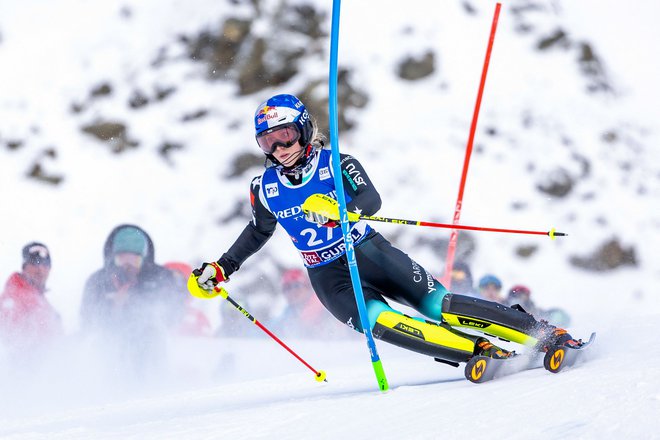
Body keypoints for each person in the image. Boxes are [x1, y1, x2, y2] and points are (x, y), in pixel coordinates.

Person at [191, 93, 583, 368]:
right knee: (383, 322)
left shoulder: (337, 163)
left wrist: (340, 211)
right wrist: (223, 267)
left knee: (439, 306)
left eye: (286, 136)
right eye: (268, 142)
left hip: (368, 252)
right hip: (328, 276)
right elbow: (258, 232)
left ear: (304, 129)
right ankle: (478, 352)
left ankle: (545, 333)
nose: (280, 149)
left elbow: (371, 200)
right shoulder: (265, 187)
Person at [80, 224, 183, 374]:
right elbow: (88, 322)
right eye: (122, 260)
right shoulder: (98, 282)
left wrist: (146, 309)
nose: (128, 266)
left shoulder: (160, 278)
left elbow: (174, 315)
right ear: (113, 259)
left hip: (151, 356)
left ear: (144, 260)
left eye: (134, 260)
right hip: (110, 357)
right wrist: (114, 307)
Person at [0, 242, 63, 357]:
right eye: (35, 262)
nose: (40, 269)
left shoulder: (40, 300)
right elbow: (12, 343)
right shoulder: (13, 297)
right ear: (24, 267)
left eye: (45, 264)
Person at [164, 261, 213, 338]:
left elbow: (207, 345)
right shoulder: (151, 314)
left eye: (180, 282)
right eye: (169, 282)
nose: (173, 289)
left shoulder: (197, 318)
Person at [506, 284, 572, 328]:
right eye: (520, 295)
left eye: (525, 295)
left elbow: (537, 313)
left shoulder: (533, 307)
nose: (523, 297)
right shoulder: (508, 304)